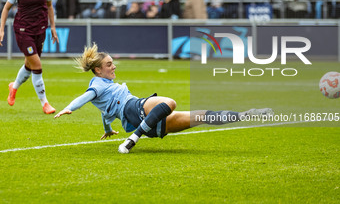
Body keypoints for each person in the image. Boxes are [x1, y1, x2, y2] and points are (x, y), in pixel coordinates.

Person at [54, 44, 274, 153]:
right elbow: (85, 97)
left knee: (202, 116)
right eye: (109, 64)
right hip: (134, 107)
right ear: (98, 71)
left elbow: (104, 112)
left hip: (145, 123)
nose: (114, 66)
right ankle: (131, 141)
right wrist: (68, 108)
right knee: (169, 103)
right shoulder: (97, 85)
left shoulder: (104, 85)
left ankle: (246, 114)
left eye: (113, 62)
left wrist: (108, 128)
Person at [0, 0, 59, 114]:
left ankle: (14, 87)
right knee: (37, 66)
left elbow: (50, 7)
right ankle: (45, 103)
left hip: (40, 29)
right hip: (23, 30)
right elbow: (6, 9)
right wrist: (1, 30)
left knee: (29, 65)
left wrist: (52, 27)